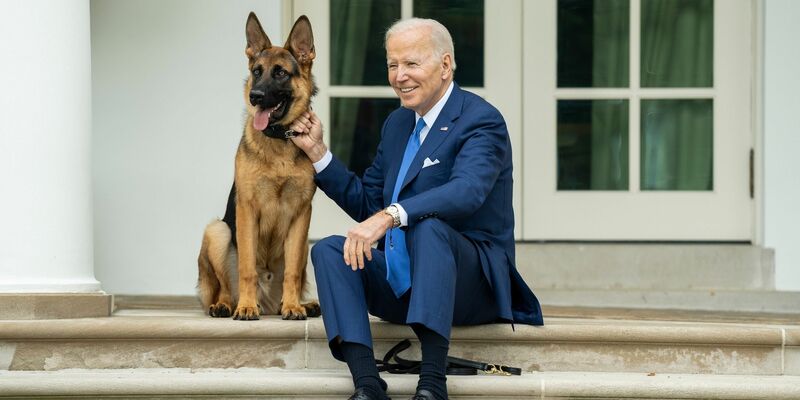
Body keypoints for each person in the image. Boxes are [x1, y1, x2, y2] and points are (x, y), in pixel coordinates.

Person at [289, 17, 543, 400]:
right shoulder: (397, 125)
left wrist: (390, 217)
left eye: (411, 64)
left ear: (445, 66)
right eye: (393, 65)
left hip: (469, 285)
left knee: (429, 227)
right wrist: (318, 154)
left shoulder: (480, 120)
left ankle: (432, 383)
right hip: (405, 282)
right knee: (328, 249)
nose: (399, 76)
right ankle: (367, 384)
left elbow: (467, 192)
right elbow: (369, 203)